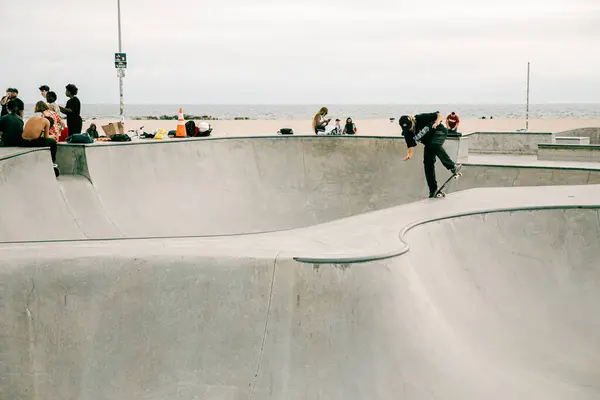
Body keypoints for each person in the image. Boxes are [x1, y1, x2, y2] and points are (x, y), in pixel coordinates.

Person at [399, 111, 461, 198]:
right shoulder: (407, 133)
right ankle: (433, 190)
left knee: (434, 144)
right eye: (407, 128)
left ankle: (452, 166)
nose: (409, 129)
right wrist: (409, 154)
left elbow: (438, 114)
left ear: (412, 121)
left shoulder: (420, 118)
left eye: (410, 126)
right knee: (427, 163)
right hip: (429, 142)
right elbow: (410, 146)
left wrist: (437, 122)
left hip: (439, 132)